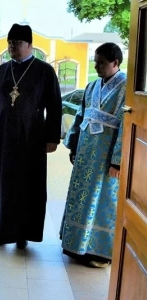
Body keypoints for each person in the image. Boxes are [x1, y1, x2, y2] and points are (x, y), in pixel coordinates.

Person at [0, 23, 62, 249]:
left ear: (30, 45)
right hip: (3, 138)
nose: (12, 46)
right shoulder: (1, 71)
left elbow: (54, 106)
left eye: (17, 43)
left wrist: (52, 137)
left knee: (27, 186)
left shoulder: (44, 71)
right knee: (1, 184)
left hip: (31, 139)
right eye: (10, 43)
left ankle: (23, 232)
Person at [60, 42, 126, 268]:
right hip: (85, 155)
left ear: (115, 63)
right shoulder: (91, 86)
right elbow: (80, 116)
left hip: (105, 157)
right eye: (95, 62)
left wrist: (117, 160)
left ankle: (99, 252)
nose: (97, 67)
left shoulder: (126, 88)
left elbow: (127, 126)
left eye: (101, 63)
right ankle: (75, 244)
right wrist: (73, 145)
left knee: (102, 201)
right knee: (81, 199)